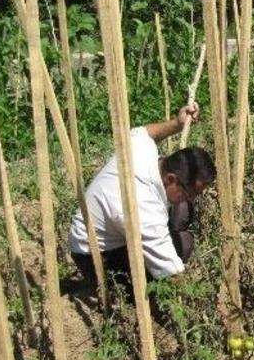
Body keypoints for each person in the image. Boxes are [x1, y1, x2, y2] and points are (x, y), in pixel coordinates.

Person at [68, 103, 216, 285]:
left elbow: (147, 131)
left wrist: (177, 123)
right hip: (95, 255)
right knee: (184, 244)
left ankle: (164, 235)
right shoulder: (145, 210)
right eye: (189, 192)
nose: (193, 198)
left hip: (109, 227)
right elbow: (174, 275)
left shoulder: (141, 148)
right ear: (170, 179)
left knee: (183, 208)